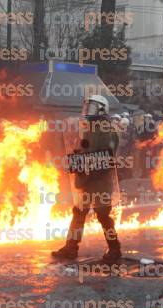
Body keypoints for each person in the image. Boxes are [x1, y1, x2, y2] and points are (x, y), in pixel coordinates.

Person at [52, 94, 122, 263]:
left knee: (103, 215)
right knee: (78, 213)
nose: (87, 110)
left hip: (100, 181)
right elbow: (86, 150)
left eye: (91, 107)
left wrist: (86, 162)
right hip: (86, 180)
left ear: (102, 109)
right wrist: (77, 159)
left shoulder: (107, 130)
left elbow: (106, 156)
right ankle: (71, 248)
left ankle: (115, 249)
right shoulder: (88, 127)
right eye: (86, 107)